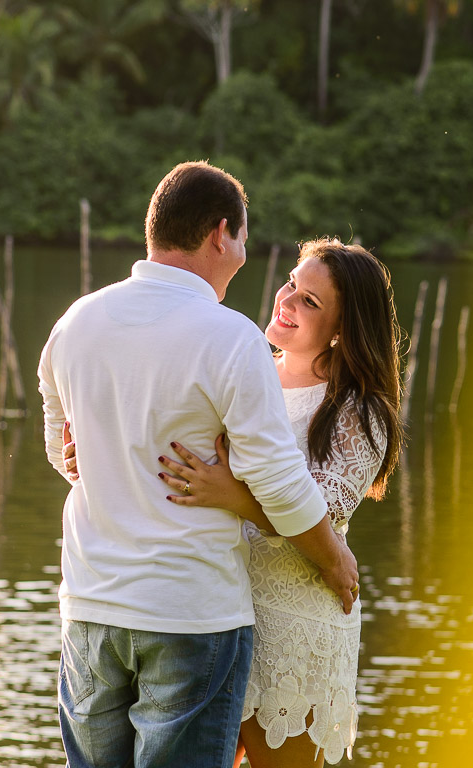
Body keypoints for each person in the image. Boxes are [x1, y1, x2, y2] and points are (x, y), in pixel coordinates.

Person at [38, 161, 359, 768]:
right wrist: (334, 557)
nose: (243, 252)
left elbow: (64, 451)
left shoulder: (75, 322)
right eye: (242, 236)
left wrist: (112, 461)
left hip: (90, 608)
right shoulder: (230, 337)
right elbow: (280, 480)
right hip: (189, 615)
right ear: (220, 233)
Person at [156, 238, 404, 767]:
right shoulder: (246, 373)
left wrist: (230, 494)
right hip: (218, 616)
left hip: (295, 624)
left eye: (310, 301)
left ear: (342, 329)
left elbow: (314, 512)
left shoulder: (359, 411)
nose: (286, 300)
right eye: (292, 283)